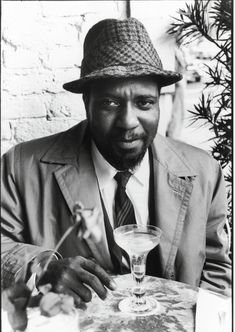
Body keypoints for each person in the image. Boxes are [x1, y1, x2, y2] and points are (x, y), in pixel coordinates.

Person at [1, 18, 231, 304]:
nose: (128, 122)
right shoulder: (20, 167)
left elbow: (217, 269)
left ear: (159, 101)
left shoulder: (204, 171)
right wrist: (42, 267)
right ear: (87, 103)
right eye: (110, 103)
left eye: (144, 102)